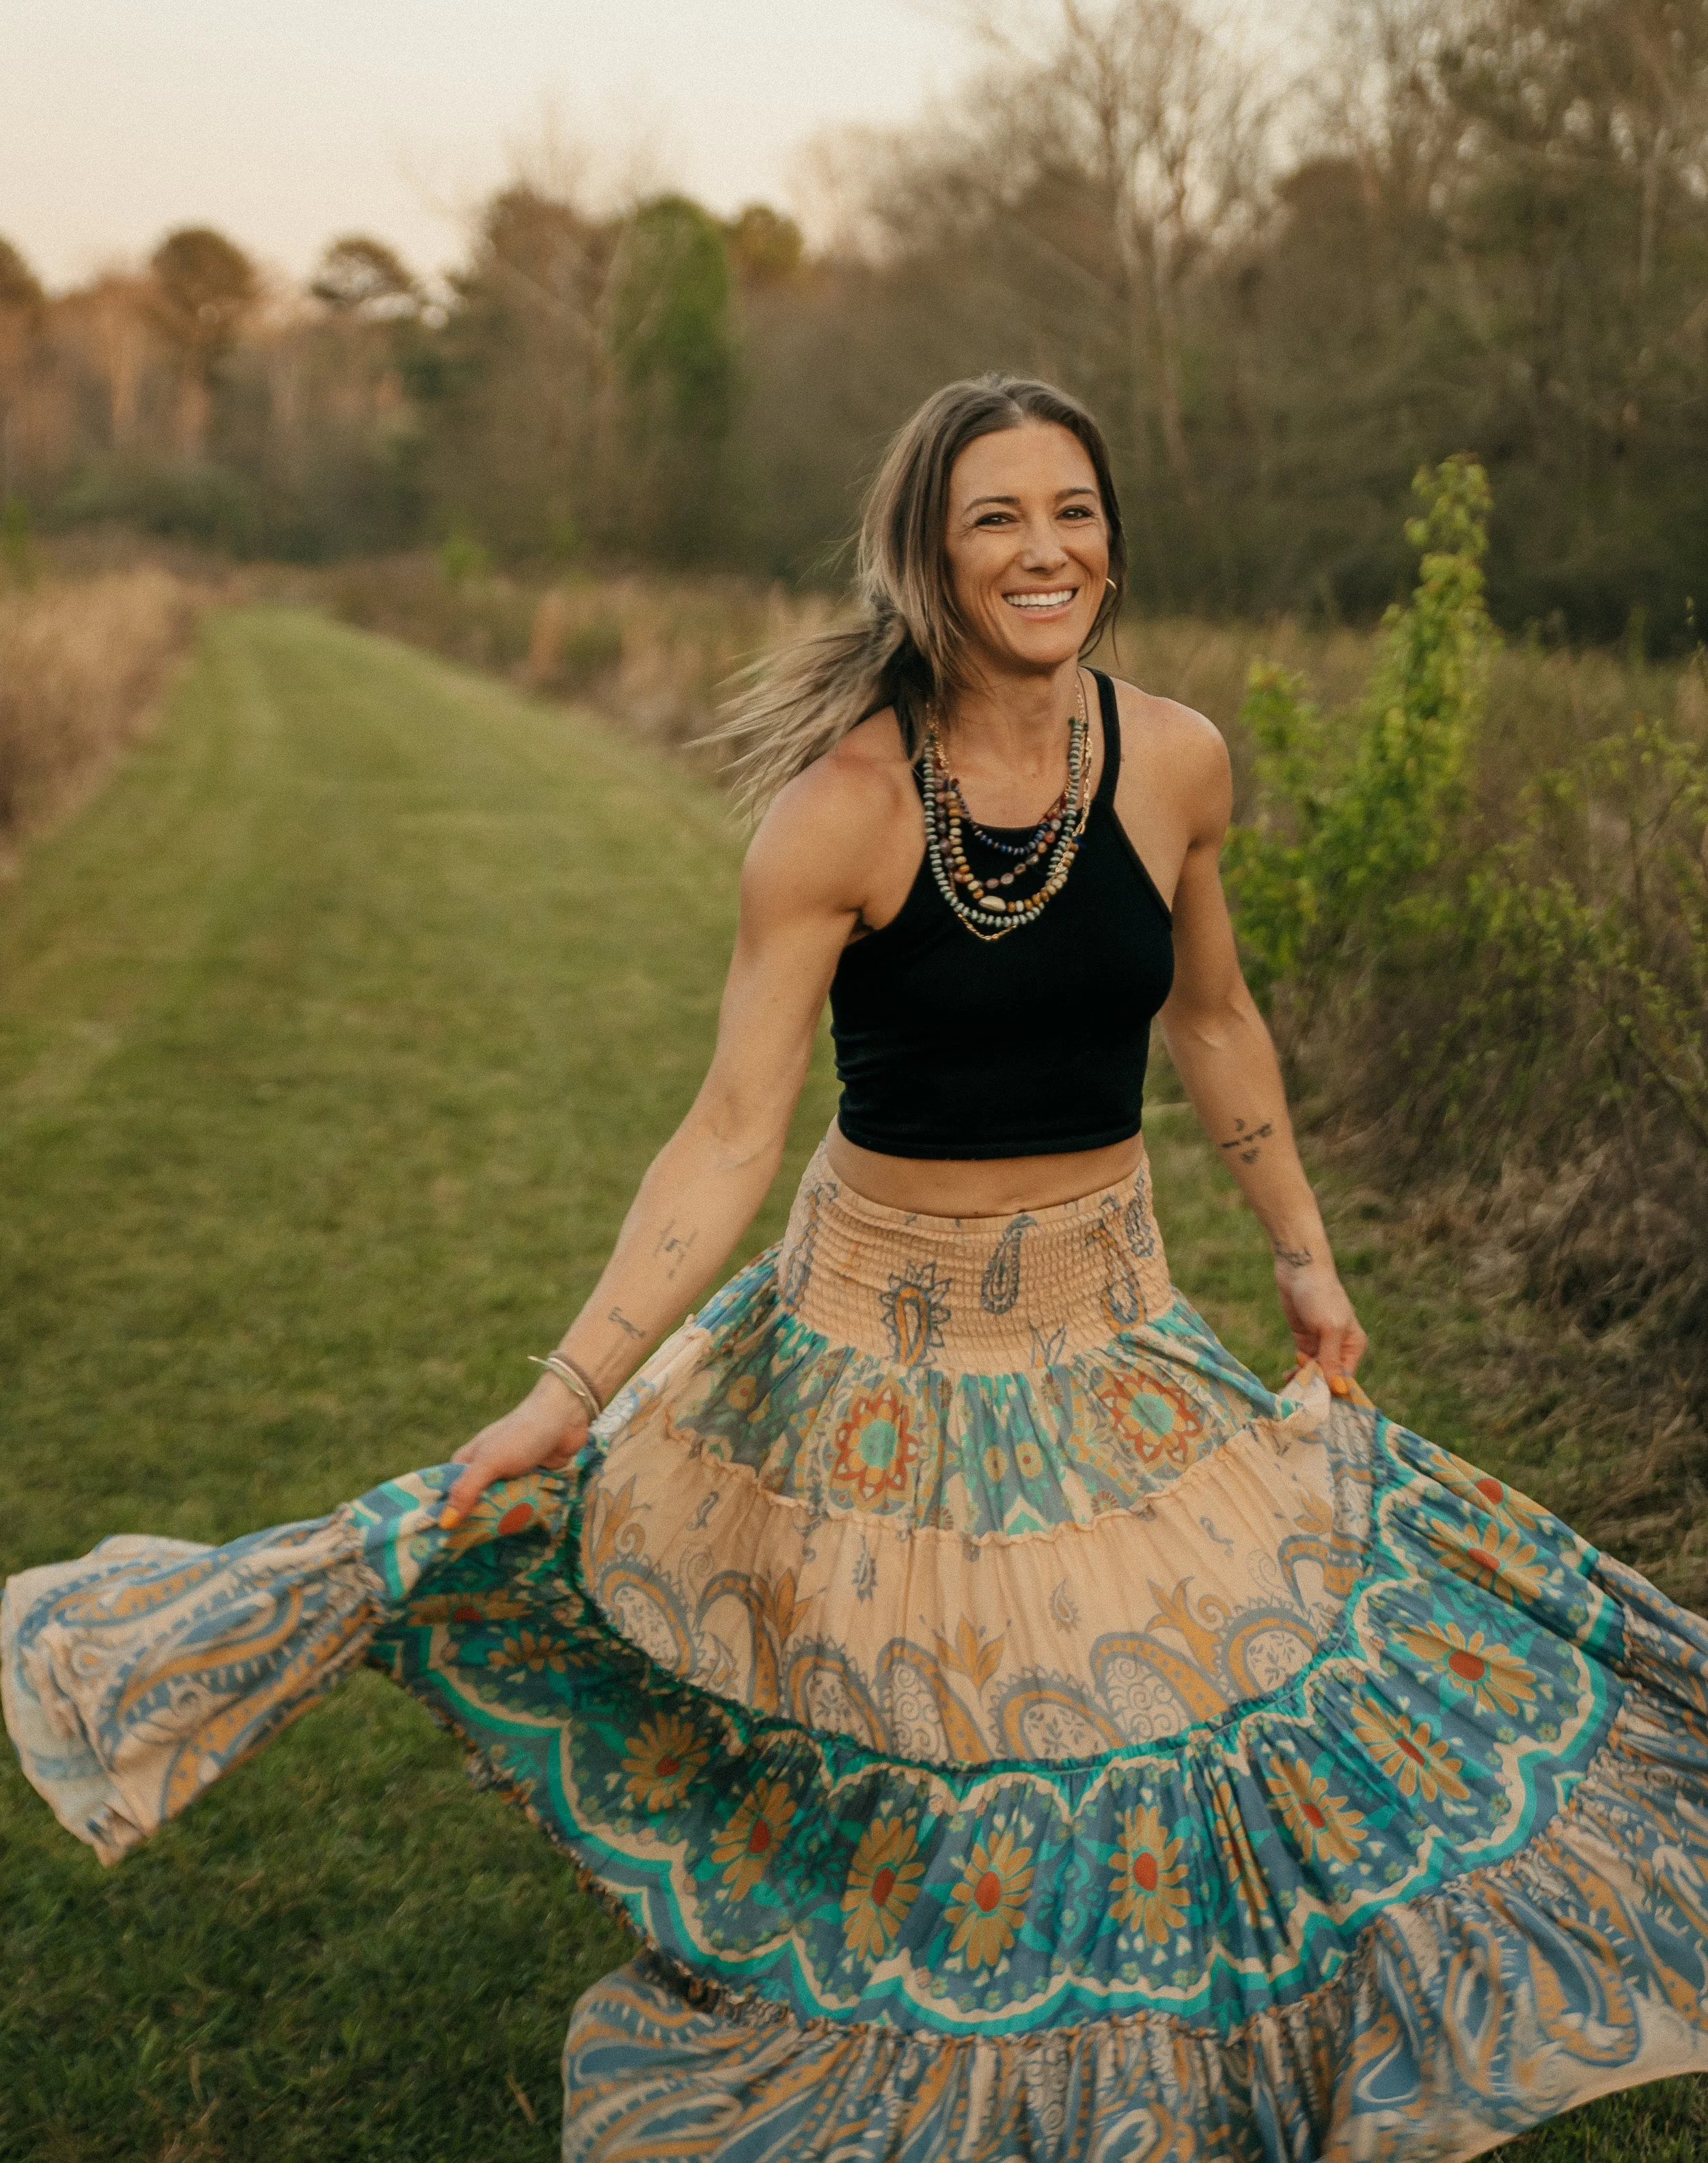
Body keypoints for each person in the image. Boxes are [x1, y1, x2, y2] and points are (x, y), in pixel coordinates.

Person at [9, 376, 1708, 2163]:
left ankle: (1158, 2055)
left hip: (1106, 1310)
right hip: (874, 1339)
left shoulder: (1180, 759)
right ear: (924, 556)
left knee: (1177, 1692)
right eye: (996, 518)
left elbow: (1211, 1017)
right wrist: (566, 1388)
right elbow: (732, 1133)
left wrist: (1304, 1260)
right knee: (938, 1738)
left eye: (1072, 508)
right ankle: (948, 2032)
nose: (1044, 548)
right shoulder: (834, 812)